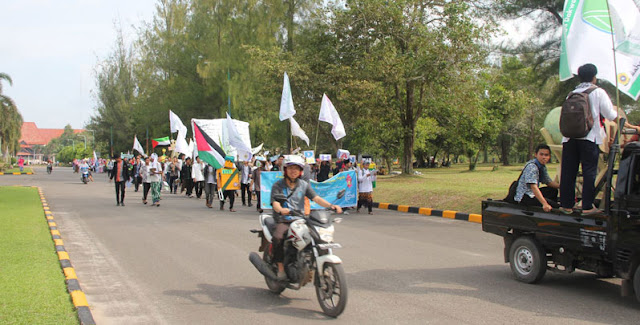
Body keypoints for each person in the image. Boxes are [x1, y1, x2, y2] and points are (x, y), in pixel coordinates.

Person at [271, 155, 343, 280]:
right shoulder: (278, 185)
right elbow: (275, 203)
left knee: (317, 236)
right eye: (291, 168)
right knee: (278, 238)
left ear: (300, 171)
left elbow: (316, 198)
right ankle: (281, 268)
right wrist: (281, 210)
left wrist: (331, 205)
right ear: (285, 170)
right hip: (284, 219)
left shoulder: (304, 185)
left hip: (300, 219)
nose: (293, 171)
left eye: (296, 168)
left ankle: (312, 262)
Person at [560, 63, 617, 215]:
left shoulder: (572, 93)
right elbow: (610, 114)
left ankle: (566, 205)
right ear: (594, 77)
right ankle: (587, 206)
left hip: (569, 138)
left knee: (568, 172)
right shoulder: (598, 92)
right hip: (589, 137)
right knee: (589, 172)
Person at [514, 144, 560, 212]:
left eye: (546, 155)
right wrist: (545, 203)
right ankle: (547, 209)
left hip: (531, 193)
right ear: (536, 155)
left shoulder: (541, 166)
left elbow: (548, 182)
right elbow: (534, 187)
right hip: (525, 196)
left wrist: (562, 187)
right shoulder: (532, 167)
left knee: (552, 190)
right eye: (541, 154)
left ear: (549, 157)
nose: (544, 157)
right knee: (555, 206)